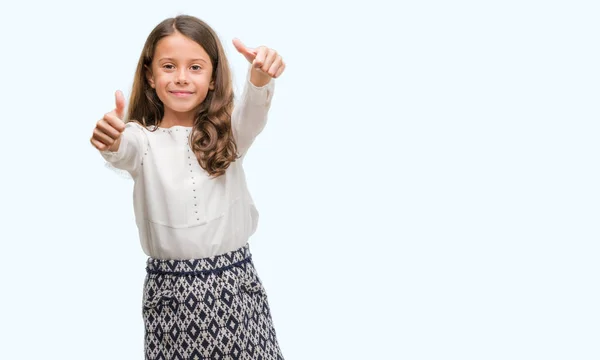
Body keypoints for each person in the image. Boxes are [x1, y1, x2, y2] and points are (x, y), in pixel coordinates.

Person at [89, 14, 285, 360]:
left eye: (195, 67)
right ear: (150, 75)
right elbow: (122, 150)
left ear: (212, 78)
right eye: (168, 66)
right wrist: (111, 139)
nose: (181, 77)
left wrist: (259, 75)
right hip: (173, 298)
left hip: (236, 290)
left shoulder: (231, 133)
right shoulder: (140, 139)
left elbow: (255, 109)